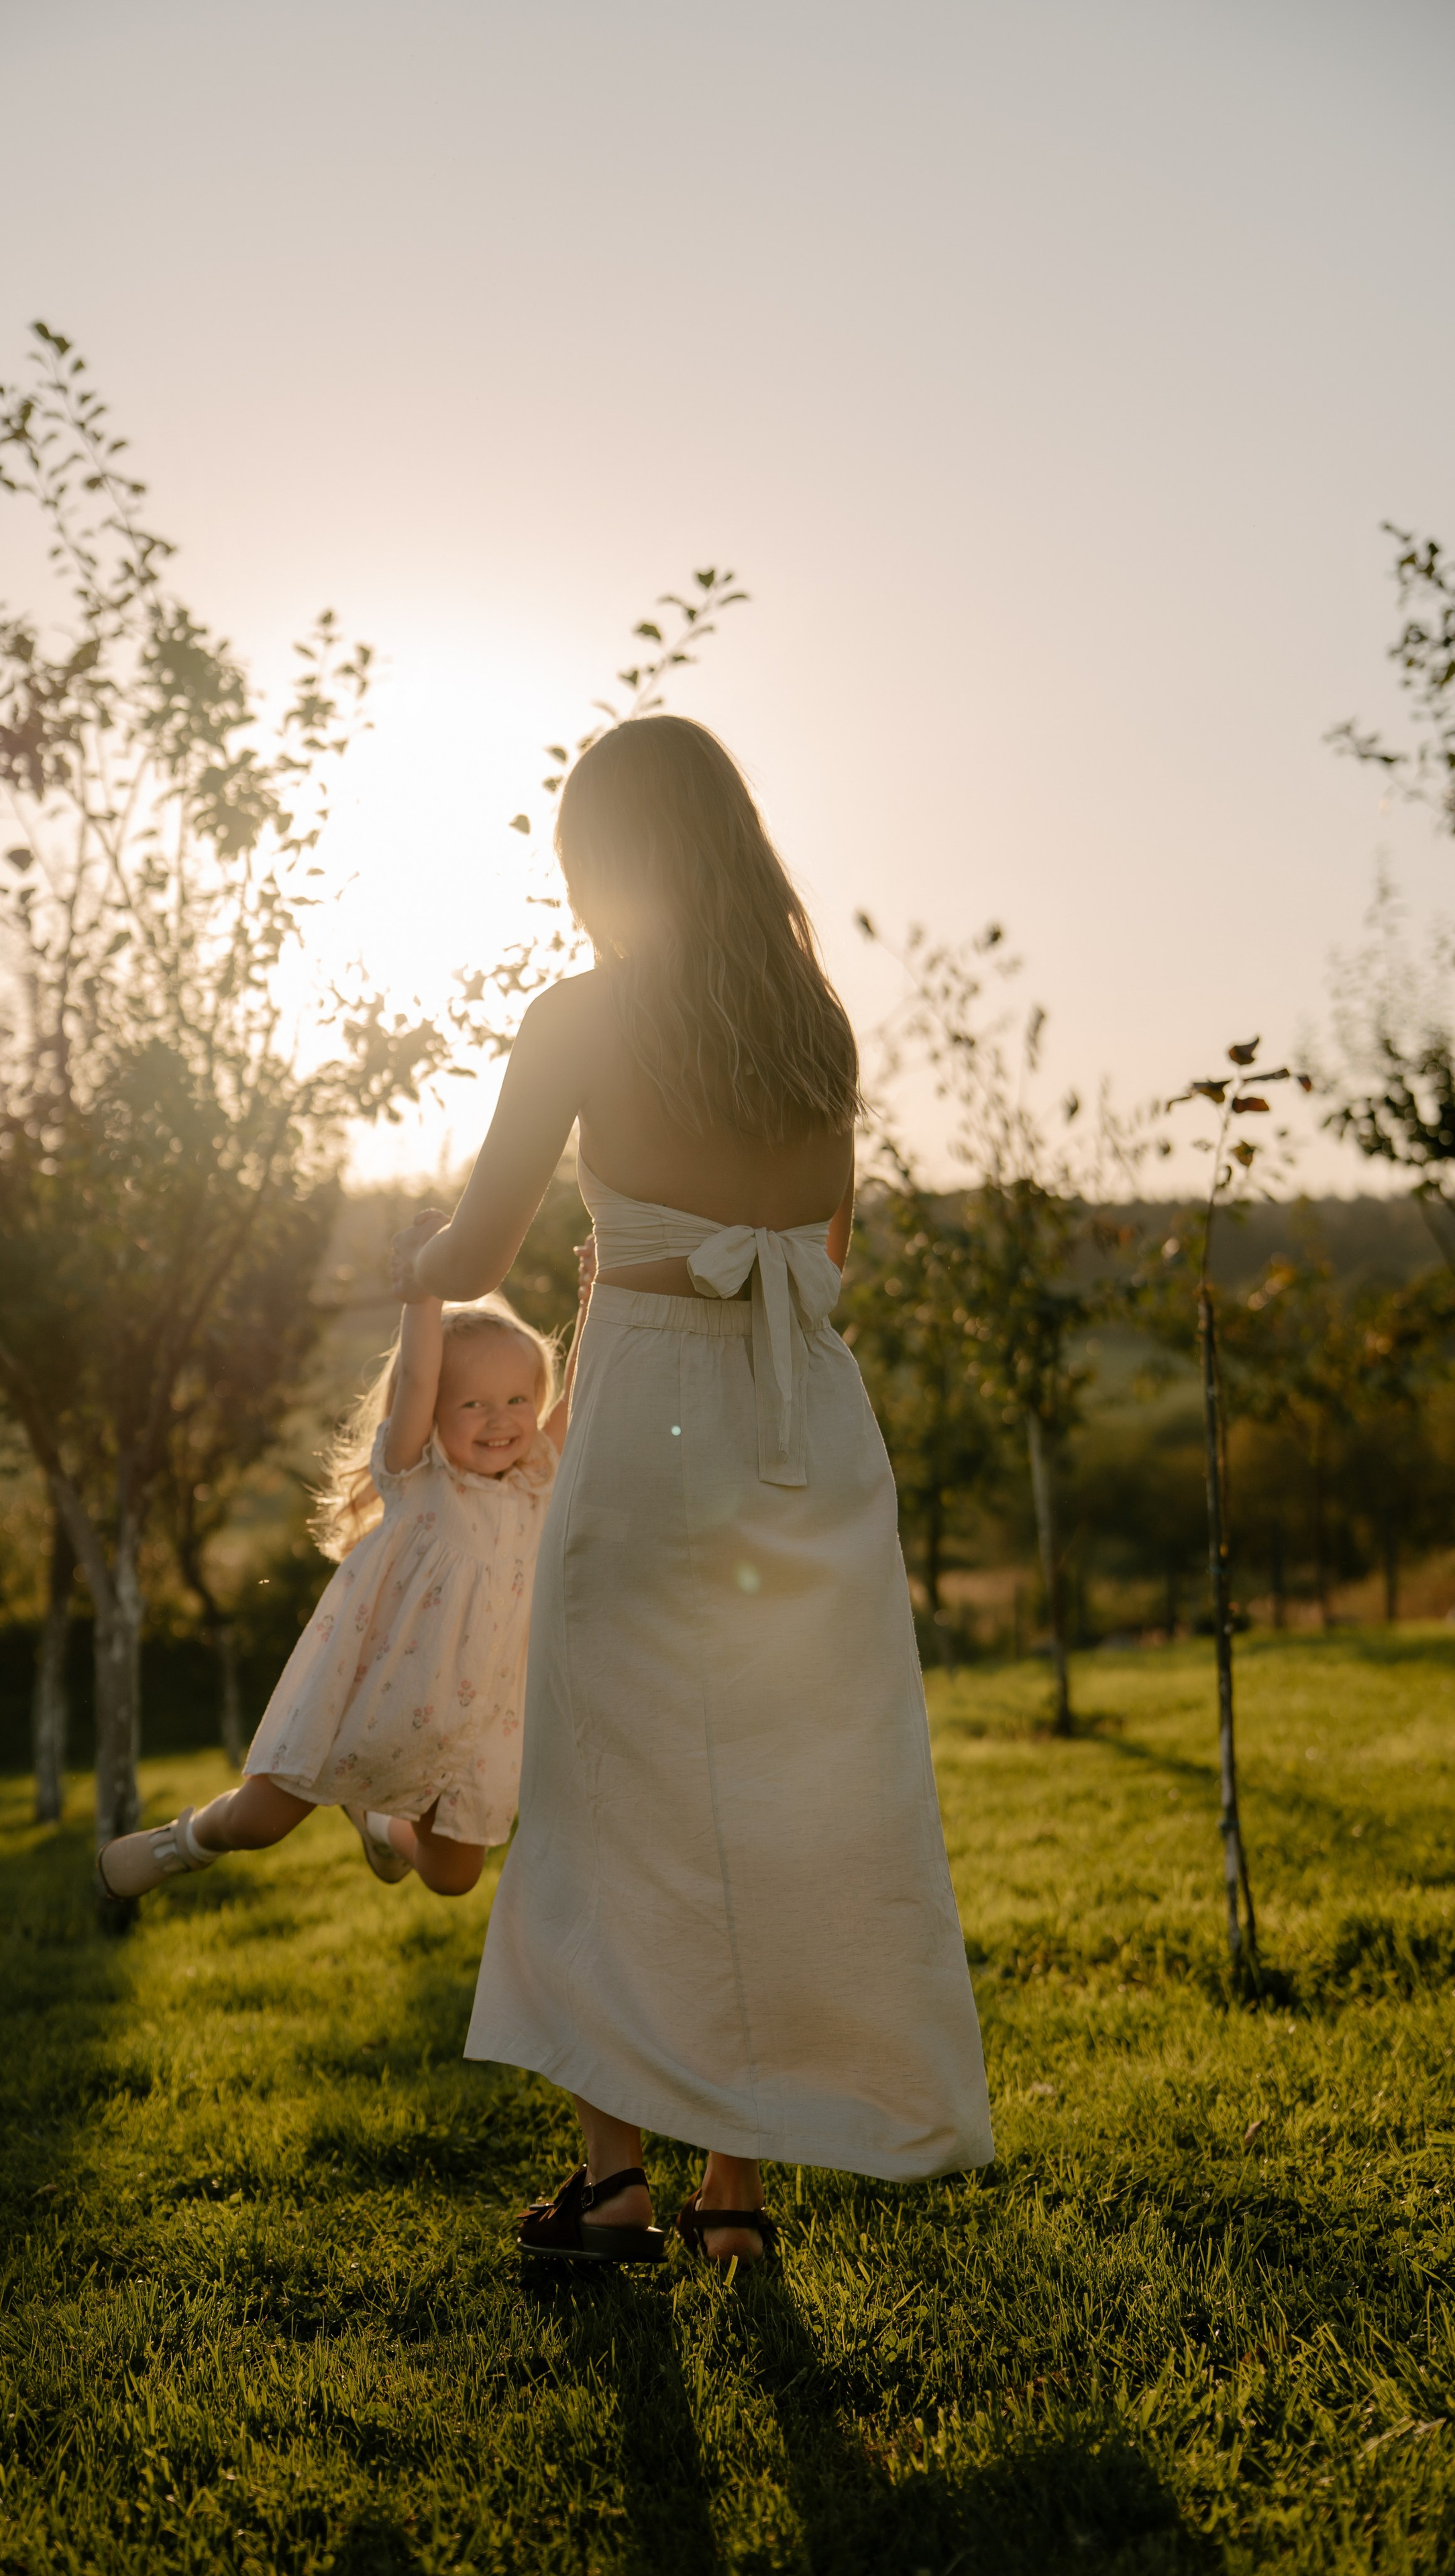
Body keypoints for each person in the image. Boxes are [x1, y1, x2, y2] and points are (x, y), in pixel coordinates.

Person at [390, 714, 993, 2269]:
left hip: (655, 1409)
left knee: (607, 1791)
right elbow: (826, 1252)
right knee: (782, 1793)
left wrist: (416, 1266)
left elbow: (477, 1248)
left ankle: (612, 2189)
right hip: (803, 1412)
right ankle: (737, 2193)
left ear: (602, 861)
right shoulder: (814, 1025)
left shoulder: (581, 1013)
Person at [96, 1287, 584, 1903]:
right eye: (473, 1404)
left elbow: (583, 1387)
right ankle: (184, 1843)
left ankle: (378, 1826)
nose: (501, 1419)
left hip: (473, 1727)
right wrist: (422, 1289)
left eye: (518, 1400)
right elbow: (417, 1374)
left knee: (453, 1878)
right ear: (432, 1411)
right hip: (372, 1701)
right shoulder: (419, 1476)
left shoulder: (535, 1482)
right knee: (257, 1825)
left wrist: (597, 1294)